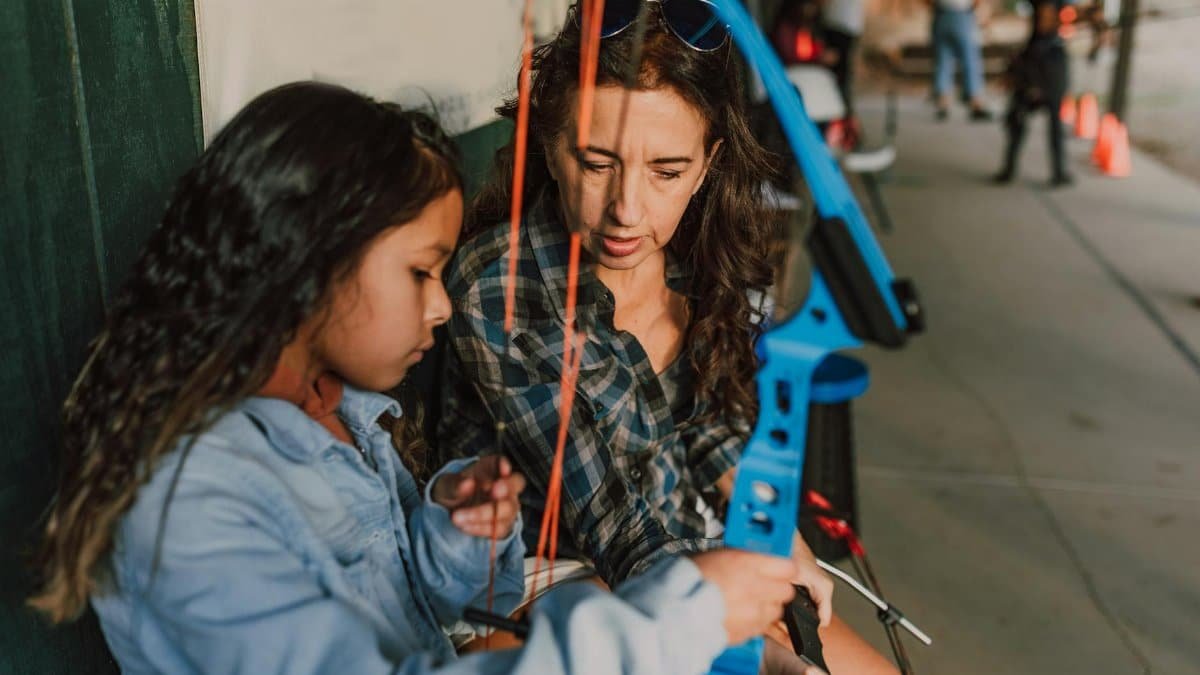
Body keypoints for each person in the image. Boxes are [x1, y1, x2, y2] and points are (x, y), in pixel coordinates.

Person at [28, 81, 812, 674]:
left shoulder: (339, 416)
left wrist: (457, 526)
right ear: (311, 270)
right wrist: (681, 619)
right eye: (420, 273)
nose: (442, 305)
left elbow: (417, 605)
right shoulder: (190, 502)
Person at [440, 4, 899, 673]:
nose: (628, 209)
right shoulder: (500, 284)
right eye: (597, 162)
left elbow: (705, 424)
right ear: (549, 143)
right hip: (532, 585)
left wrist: (783, 541)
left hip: (683, 548)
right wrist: (749, 628)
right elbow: (614, 522)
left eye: (667, 170)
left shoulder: (695, 262)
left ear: (710, 161)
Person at [994, 0, 1074, 186]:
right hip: (1032, 66)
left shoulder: (1062, 8)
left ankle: (1059, 171)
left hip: (1051, 70)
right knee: (1017, 119)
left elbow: (1078, 12)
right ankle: (1008, 169)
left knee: (1055, 126)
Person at [928, 0, 994, 121]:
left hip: (942, 14)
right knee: (970, 60)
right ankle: (975, 103)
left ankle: (943, 103)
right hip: (962, 14)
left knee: (943, 61)